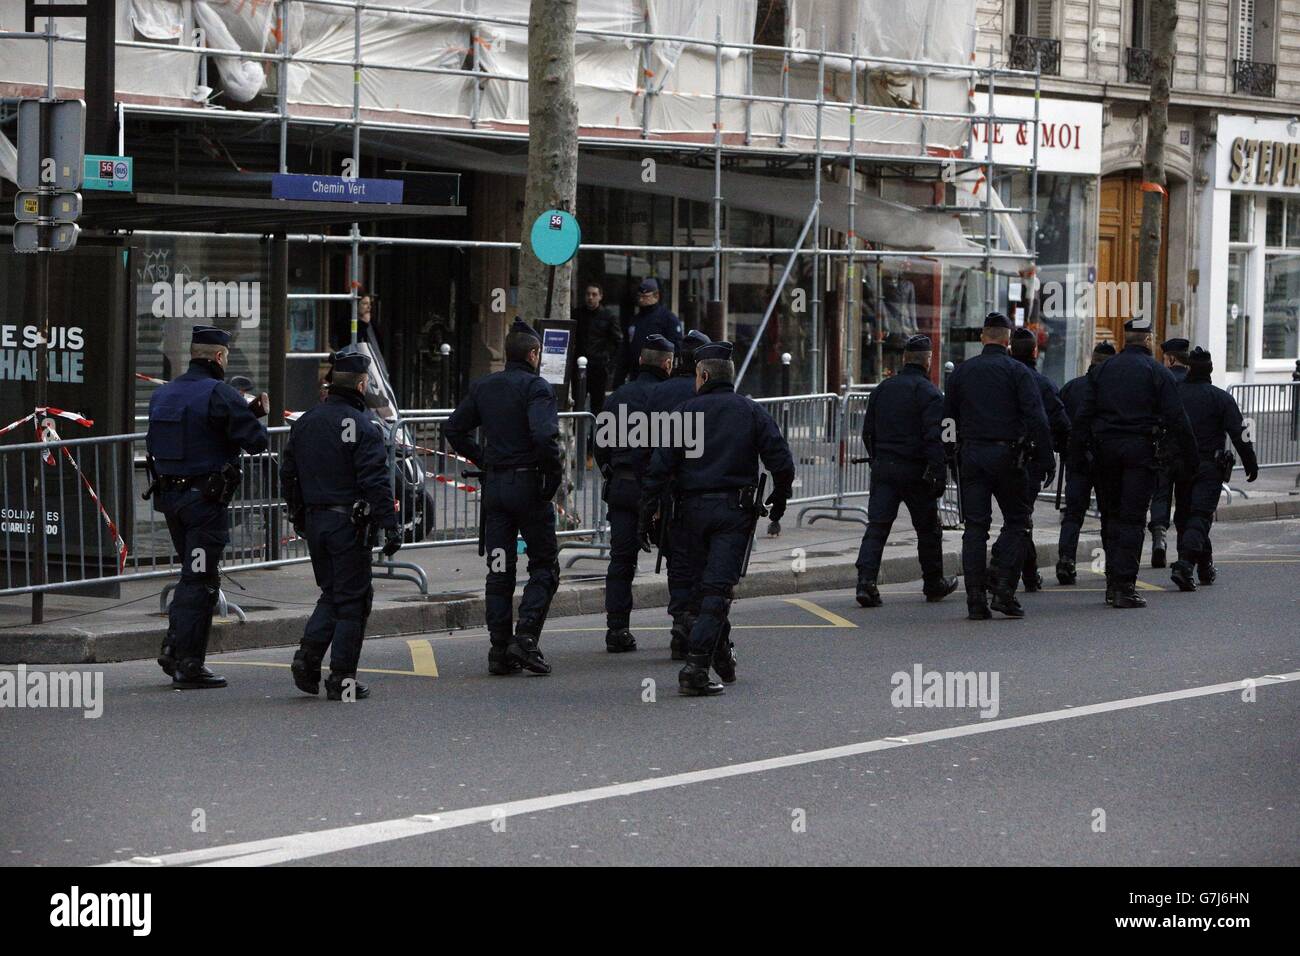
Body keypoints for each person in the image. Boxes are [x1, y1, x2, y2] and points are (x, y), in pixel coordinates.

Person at [640, 342, 795, 696]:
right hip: (732, 514)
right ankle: (696, 668)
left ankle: (719, 655)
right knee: (716, 591)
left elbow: (659, 469)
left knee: (700, 593)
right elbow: (781, 462)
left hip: (688, 514)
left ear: (704, 375)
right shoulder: (751, 412)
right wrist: (780, 499)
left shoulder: (681, 414)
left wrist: (647, 513)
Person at [146, 326, 269, 689]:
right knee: (200, 581)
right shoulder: (221, 393)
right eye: (226, 356)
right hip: (204, 503)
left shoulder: (163, 393)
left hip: (171, 502)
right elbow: (256, 442)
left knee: (193, 575)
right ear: (219, 357)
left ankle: (175, 647)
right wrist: (257, 414)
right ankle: (186, 663)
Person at [443, 319, 563, 675]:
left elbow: (453, 428)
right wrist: (552, 476)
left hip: (495, 492)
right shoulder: (537, 388)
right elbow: (545, 438)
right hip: (528, 489)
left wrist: (484, 458)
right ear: (533, 354)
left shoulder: (485, 387)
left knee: (499, 569)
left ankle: (498, 649)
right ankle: (525, 639)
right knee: (544, 564)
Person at [281, 347, 401, 701]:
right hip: (349, 524)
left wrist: (301, 516)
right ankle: (341, 679)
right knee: (353, 601)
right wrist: (391, 525)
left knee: (333, 594)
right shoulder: (364, 426)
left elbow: (289, 476)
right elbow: (375, 481)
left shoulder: (306, 422)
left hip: (317, 521)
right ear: (362, 384)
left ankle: (308, 659)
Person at [1068, 319, 1197, 609]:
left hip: (1105, 452)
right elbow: (1177, 417)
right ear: (1149, 340)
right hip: (1140, 452)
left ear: (1124, 339)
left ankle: (1113, 582)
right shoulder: (1156, 372)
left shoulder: (1103, 370)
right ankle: (1124, 585)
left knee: (1110, 516)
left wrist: (1076, 455)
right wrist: (1191, 457)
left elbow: (1083, 416)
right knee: (1133, 519)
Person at [943, 312, 1054, 620]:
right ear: (1007, 341)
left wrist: (950, 453)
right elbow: (1037, 417)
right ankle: (1003, 588)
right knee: (1018, 522)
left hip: (972, 455)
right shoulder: (1017, 372)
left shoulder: (962, 373)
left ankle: (975, 599)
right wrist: (1045, 457)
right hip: (1008, 456)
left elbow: (947, 419)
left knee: (975, 528)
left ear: (982, 337)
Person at [853, 334, 957, 608]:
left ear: (903, 359)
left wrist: (878, 458)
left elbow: (867, 433)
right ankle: (933, 583)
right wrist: (938, 471)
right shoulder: (931, 393)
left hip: (885, 468)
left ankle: (865, 583)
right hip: (915, 471)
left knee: (877, 528)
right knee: (927, 529)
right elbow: (936, 438)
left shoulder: (883, 389)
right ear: (929, 361)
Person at [594, 334, 676, 653]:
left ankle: (617, 629)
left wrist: (612, 473)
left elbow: (600, 446)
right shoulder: (669, 396)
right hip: (659, 490)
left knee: (621, 560)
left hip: (623, 488)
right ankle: (682, 627)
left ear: (641, 360)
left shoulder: (618, 397)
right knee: (677, 558)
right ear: (668, 364)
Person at [1169, 347, 1259, 591]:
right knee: (1199, 517)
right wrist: (1250, 462)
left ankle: (1204, 567)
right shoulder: (1220, 398)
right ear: (1210, 370)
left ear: (1188, 368)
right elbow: (1240, 433)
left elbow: (1162, 425)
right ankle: (1186, 564)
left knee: (1186, 516)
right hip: (1208, 465)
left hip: (1181, 465)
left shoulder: (1176, 394)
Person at [649, 328, 711, 659]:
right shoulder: (705, 393)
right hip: (700, 490)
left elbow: (646, 447)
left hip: (670, 493)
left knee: (677, 561)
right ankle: (695, 623)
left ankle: (679, 623)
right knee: (704, 565)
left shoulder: (659, 393)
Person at [1009, 327, 1071, 592]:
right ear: (1035, 351)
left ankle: (1030, 572)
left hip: (1001, 455)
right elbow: (1056, 424)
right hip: (1029, 459)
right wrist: (1051, 458)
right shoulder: (1043, 384)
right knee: (1021, 518)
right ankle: (1006, 569)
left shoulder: (1002, 380)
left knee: (1019, 517)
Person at [1055, 340, 1115, 584]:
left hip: (1077, 458)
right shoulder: (1113, 390)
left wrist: (1064, 449)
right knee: (1109, 514)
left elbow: (1058, 420)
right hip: (1106, 459)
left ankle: (1066, 560)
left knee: (1073, 514)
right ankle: (1112, 563)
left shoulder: (1072, 387)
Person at [1147, 337, 1190, 568]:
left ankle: (1159, 541)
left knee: (1160, 495)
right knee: (1184, 498)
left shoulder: (1161, 381)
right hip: (1184, 450)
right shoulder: (1194, 382)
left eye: (1164, 359)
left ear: (1171, 359)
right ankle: (1184, 549)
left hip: (1163, 448)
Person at [613, 278, 684, 388]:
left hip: (658, 378)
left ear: (656, 296)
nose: (641, 300)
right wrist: (618, 382)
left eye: (645, 297)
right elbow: (625, 352)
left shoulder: (668, 319)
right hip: (636, 376)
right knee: (626, 404)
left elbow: (676, 349)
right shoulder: (635, 320)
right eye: (639, 297)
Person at [571, 282, 623, 416]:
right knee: (577, 403)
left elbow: (618, 342)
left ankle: (595, 434)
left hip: (598, 368)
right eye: (588, 294)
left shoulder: (608, 316)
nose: (590, 297)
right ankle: (578, 434)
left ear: (600, 296)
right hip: (579, 367)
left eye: (594, 294)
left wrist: (609, 364)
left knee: (597, 406)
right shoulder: (577, 314)